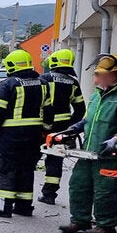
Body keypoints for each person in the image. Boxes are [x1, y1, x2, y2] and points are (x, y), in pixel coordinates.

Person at [54, 53, 117, 233]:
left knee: (105, 189)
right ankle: (79, 220)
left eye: (99, 74)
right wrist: (69, 130)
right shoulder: (96, 95)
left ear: (113, 75)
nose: (95, 78)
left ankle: (106, 224)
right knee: (78, 184)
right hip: (89, 151)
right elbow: (87, 120)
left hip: (110, 153)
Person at [0, 49, 53, 218]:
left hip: (10, 136)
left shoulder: (8, 84)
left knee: (7, 169)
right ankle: (24, 206)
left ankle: (2, 207)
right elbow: (49, 111)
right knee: (27, 169)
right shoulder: (43, 83)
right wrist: (46, 129)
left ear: (11, 66)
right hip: (33, 136)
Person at [38, 48, 85, 204]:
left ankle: (19, 193)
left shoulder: (44, 78)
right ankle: (49, 195)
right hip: (62, 128)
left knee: (30, 157)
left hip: (42, 126)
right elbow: (80, 109)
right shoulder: (72, 82)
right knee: (55, 160)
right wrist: (71, 127)